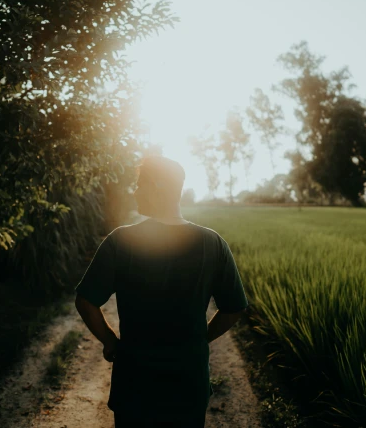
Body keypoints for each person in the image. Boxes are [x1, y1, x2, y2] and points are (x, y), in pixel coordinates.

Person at [74, 155, 249, 427]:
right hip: (188, 384)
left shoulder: (120, 241)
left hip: (134, 383)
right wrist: (200, 339)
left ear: (155, 185)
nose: (135, 191)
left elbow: (86, 301)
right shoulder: (213, 244)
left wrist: (110, 341)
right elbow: (234, 308)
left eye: (139, 184)